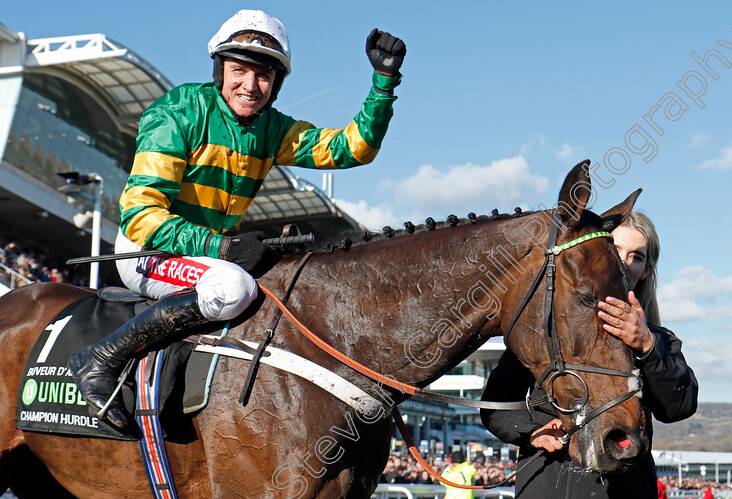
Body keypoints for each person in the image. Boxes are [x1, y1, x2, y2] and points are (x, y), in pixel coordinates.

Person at [68, 9, 406, 429]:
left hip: (202, 255)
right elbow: (141, 215)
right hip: (147, 250)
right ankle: (101, 358)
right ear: (220, 69)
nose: (250, 85)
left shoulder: (273, 129)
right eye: (239, 70)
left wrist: (383, 84)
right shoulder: (177, 112)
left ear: (276, 84)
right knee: (233, 287)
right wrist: (223, 246)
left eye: (263, 76)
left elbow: (350, 149)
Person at [480, 211, 699, 498]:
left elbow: (679, 407)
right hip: (544, 486)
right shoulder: (546, 330)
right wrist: (532, 432)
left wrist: (645, 344)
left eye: (638, 256)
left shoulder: (660, 341)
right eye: (614, 249)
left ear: (646, 270)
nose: (623, 262)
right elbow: (495, 406)